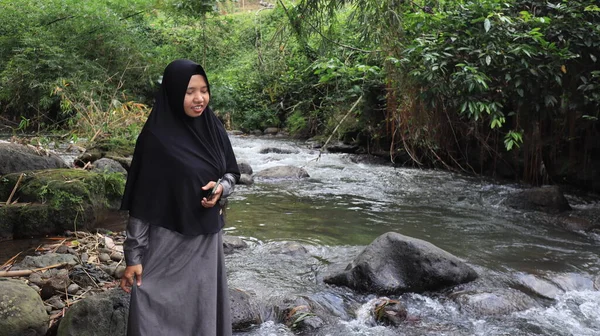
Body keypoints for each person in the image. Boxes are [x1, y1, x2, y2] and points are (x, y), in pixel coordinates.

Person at [119, 59, 240, 336]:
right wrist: (133, 257)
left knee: (202, 312)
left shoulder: (213, 128)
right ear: (174, 93)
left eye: (204, 90)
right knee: (153, 311)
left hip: (206, 242)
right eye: (190, 92)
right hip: (166, 244)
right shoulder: (155, 138)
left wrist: (221, 187)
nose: (200, 99)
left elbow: (232, 172)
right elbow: (141, 203)